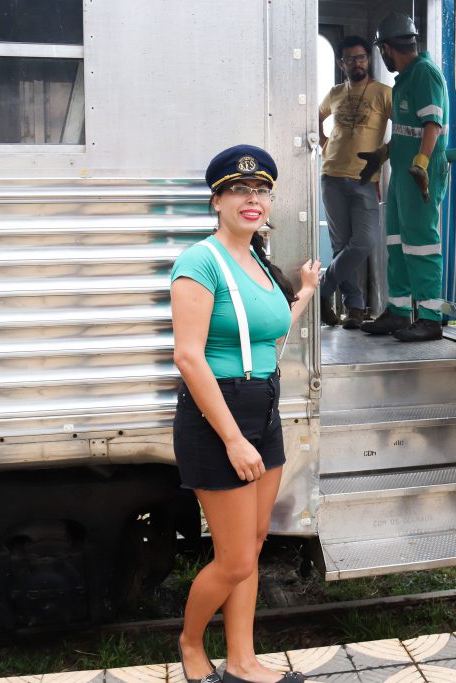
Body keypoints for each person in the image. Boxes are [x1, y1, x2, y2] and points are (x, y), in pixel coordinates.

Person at [171, 145, 318, 683]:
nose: (251, 199)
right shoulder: (200, 261)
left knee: (253, 546)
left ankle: (242, 660)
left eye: (260, 191)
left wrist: (302, 295)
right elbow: (189, 356)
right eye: (238, 190)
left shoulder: (257, 260)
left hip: (264, 409)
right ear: (217, 200)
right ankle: (190, 644)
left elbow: (269, 327)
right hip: (219, 417)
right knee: (233, 559)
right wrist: (234, 439)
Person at [358, 12, 449, 342]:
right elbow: (406, 130)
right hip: (402, 171)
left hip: (420, 174)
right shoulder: (406, 80)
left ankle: (429, 317)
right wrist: (381, 155)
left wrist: (422, 163)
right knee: (396, 241)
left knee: (421, 244)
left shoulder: (425, 74)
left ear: (385, 48)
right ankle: (398, 311)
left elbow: (432, 125)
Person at [318, 36, 392, 330]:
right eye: (350, 59)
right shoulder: (335, 93)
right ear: (342, 64)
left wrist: (384, 153)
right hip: (331, 176)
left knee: (363, 242)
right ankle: (355, 307)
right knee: (340, 246)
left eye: (360, 57)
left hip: (364, 179)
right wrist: (324, 143)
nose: (356, 63)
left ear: (368, 59)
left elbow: (403, 126)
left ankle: (323, 288)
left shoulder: (384, 93)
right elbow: (315, 117)